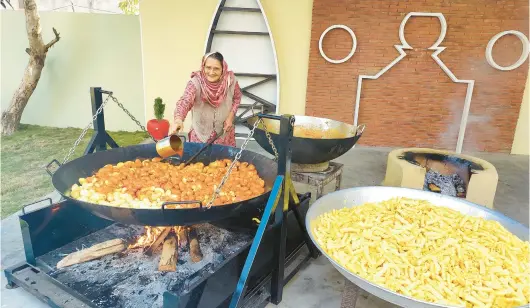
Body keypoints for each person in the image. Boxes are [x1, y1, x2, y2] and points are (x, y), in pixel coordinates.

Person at [170, 52, 242, 147]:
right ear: (203, 67)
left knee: (224, 161)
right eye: (208, 67)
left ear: (223, 69)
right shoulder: (195, 82)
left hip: (224, 134)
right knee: (199, 161)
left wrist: (230, 117)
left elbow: (237, 98)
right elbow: (185, 101)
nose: (211, 72)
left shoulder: (231, 81)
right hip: (200, 135)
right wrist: (178, 120)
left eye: (216, 68)